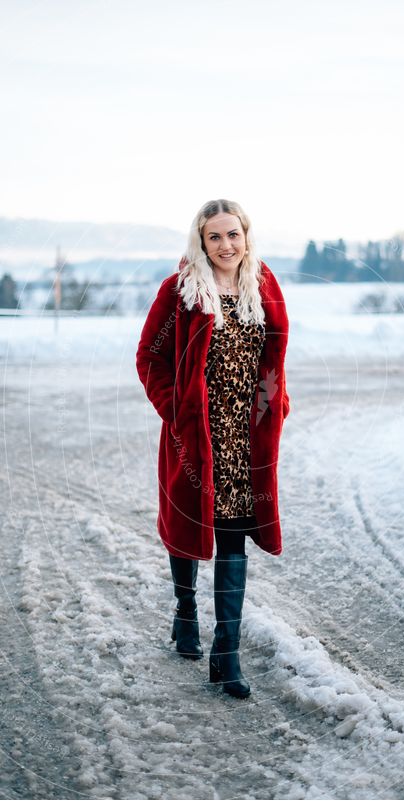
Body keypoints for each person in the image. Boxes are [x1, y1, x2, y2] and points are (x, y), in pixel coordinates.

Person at [136, 198, 290, 699]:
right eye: (214, 237)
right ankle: (185, 612)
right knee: (187, 524)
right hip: (197, 432)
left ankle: (227, 654)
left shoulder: (263, 286)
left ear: (246, 236)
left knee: (233, 535)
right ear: (201, 242)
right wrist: (175, 411)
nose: (226, 245)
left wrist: (277, 402)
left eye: (233, 234)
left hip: (245, 435)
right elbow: (150, 357)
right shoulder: (180, 291)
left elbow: (273, 358)